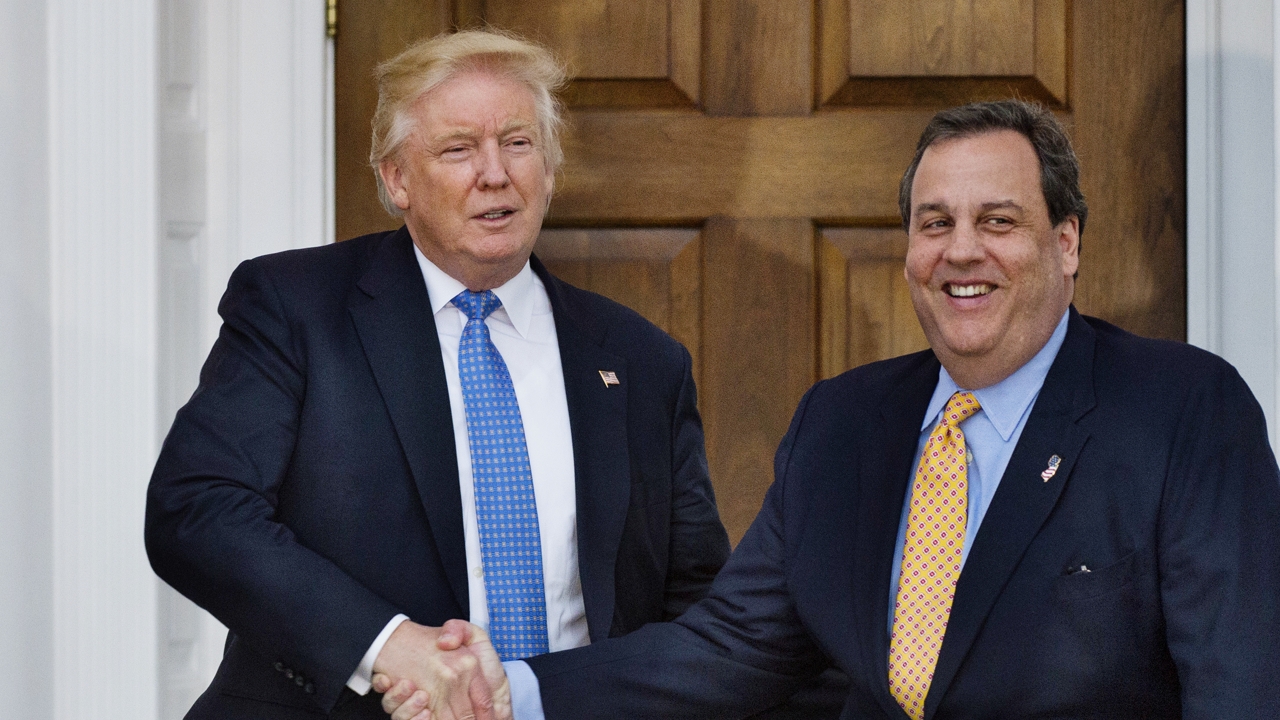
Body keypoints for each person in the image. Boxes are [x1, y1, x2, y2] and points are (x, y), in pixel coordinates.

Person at [382, 99, 1280, 719]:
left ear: (1067, 242)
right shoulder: (844, 424)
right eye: (933, 224)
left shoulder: (1184, 412)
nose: (960, 251)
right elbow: (729, 649)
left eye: (998, 221)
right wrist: (509, 693)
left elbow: (1239, 686)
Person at [144, 29, 731, 720]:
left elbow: (697, 605)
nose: (494, 173)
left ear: (549, 166)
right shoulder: (296, 308)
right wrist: (385, 645)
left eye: (518, 143)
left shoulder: (641, 359)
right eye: (458, 149)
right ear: (397, 180)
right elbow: (198, 510)